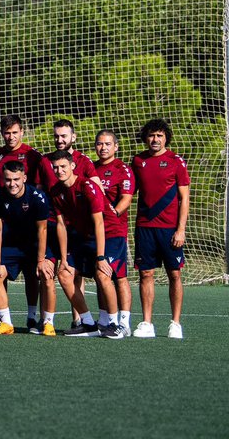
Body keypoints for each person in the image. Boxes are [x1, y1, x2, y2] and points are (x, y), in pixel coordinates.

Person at [47, 150, 124, 339]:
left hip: (109, 233)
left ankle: (115, 325)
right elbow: (61, 225)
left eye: (63, 166)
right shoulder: (55, 191)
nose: (59, 170)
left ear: (72, 166)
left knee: (102, 273)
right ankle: (88, 323)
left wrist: (100, 257)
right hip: (84, 237)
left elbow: (99, 222)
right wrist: (64, 259)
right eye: (55, 167)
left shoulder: (87, 186)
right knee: (64, 274)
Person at [0, 114, 46, 328]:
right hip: (3, 221)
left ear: (22, 132)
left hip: (27, 222)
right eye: (7, 133)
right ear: (2, 133)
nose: (11, 136)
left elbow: (39, 186)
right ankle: (2, 317)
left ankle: (32, 316)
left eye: (15, 132)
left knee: (32, 274)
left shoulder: (33, 156)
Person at [130, 118, 190, 339]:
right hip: (144, 227)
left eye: (159, 135)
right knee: (146, 273)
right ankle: (147, 323)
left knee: (174, 274)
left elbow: (185, 198)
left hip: (169, 229)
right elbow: (128, 192)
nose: (155, 139)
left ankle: (175, 323)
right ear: (145, 138)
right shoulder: (138, 161)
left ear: (166, 138)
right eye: (151, 135)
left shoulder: (176, 161)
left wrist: (181, 229)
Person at [38, 119, 97, 333]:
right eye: (56, 136)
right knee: (47, 272)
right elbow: (39, 190)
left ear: (73, 137)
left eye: (64, 135)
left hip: (76, 228)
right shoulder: (44, 161)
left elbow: (96, 188)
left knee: (77, 272)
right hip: (52, 224)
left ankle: (80, 320)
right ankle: (46, 321)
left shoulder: (84, 161)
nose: (60, 139)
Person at [0, 160, 54, 335]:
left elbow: (42, 230)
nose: (12, 184)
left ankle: (45, 322)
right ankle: (6, 323)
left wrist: (41, 260)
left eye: (16, 179)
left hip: (34, 245)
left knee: (45, 274)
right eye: (8, 179)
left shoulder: (37, 197)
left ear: (24, 178)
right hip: (10, 246)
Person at [92, 129, 135, 335]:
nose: (103, 147)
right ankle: (103, 320)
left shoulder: (123, 169)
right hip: (94, 231)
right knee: (99, 275)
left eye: (108, 144)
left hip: (114, 231)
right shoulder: (91, 168)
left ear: (116, 147)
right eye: (100, 144)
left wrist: (113, 214)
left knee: (118, 275)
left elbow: (126, 198)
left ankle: (123, 323)